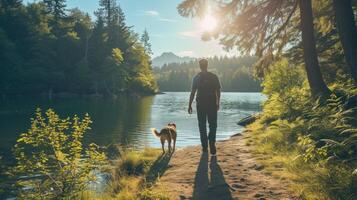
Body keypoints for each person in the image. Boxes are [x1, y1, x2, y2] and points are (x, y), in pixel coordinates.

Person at [188, 59, 221, 156]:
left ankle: (205, 147)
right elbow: (218, 91)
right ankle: (212, 142)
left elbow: (193, 92)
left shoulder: (196, 78)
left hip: (200, 104)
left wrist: (189, 105)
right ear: (207, 65)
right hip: (212, 104)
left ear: (200, 66)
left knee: (202, 125)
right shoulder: (214, 77)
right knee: (213, 125)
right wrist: (217, 102)